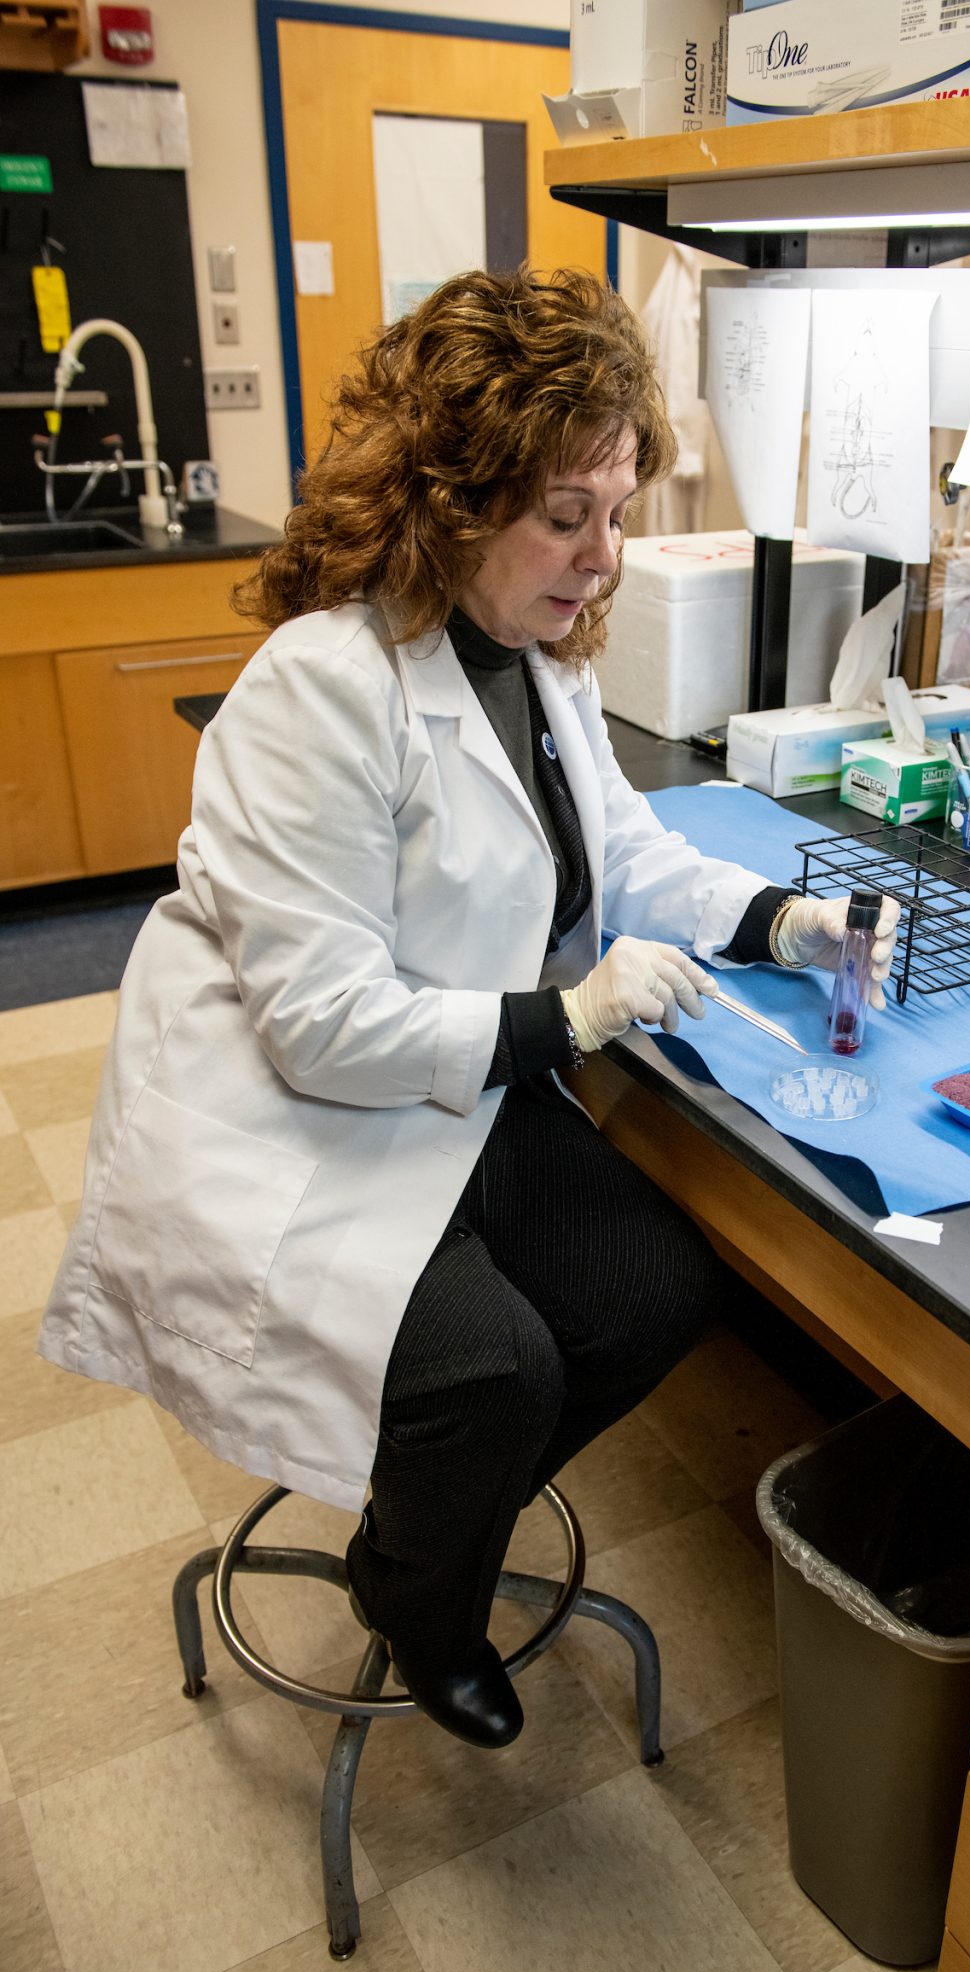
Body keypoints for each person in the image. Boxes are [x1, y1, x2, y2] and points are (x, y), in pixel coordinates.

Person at [38, 267, 899, 1749]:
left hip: (444, 1077)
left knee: (653, 1292)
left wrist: (782, 919)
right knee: (496, 1368)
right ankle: (420, 1598)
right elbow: (321, 1026)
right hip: (290, 1116)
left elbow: (617, 849)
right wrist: (575, 1017)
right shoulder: (321, 689)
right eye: (566, 516)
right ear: (452, 498)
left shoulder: (532, 660)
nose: (602, 559)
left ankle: (427, 1525)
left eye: (616, 513)